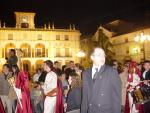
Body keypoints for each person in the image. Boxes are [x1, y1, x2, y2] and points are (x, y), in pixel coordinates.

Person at [81, 47, 121, 113]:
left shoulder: (111, 72)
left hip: (106, 110)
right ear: (92, 57)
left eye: (103, 55)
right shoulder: (85, 73)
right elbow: (85, 97)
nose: (102, 57)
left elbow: (117, 98)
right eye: (99, 55)